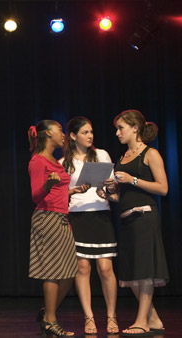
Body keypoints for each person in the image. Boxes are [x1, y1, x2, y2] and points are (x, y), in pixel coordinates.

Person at [101, 110, 168, 337]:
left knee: (144, 270)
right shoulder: (122, 158)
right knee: (131, 272)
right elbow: (122, 196)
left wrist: (134, 179)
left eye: (121, 128)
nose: (118, 133)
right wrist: (108, 193)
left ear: (135, 128)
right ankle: (153, 317)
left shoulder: (150, 154)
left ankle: (142, 321)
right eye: (117, 129)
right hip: (126, 219)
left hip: (144, 217)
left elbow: (163, 188)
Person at [60, 117, 119, 335]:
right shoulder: (63, 163)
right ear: (73, 136)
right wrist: (74, 191)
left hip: (101, 214)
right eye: (85, 132)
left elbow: (113, 190)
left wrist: (109, 189)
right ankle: (89, 317)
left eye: (91, 132)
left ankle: (111, 316)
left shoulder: (101, 155)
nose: (90, 136)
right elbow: (58, 195)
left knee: (105, 268)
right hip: (77, 216)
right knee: (82, 268)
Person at [27, 120, 77, 337]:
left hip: (61, 218)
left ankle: (48, 312)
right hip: (47, 218)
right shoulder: (37, 162)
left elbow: (59, 191)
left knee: (69, 272)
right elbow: (36, 196)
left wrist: (73, 191)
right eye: (60, 131)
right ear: (48, 134)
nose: (64, 135)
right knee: (54, 272)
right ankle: (50, 320)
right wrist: (48, 185)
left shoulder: (55, 161)